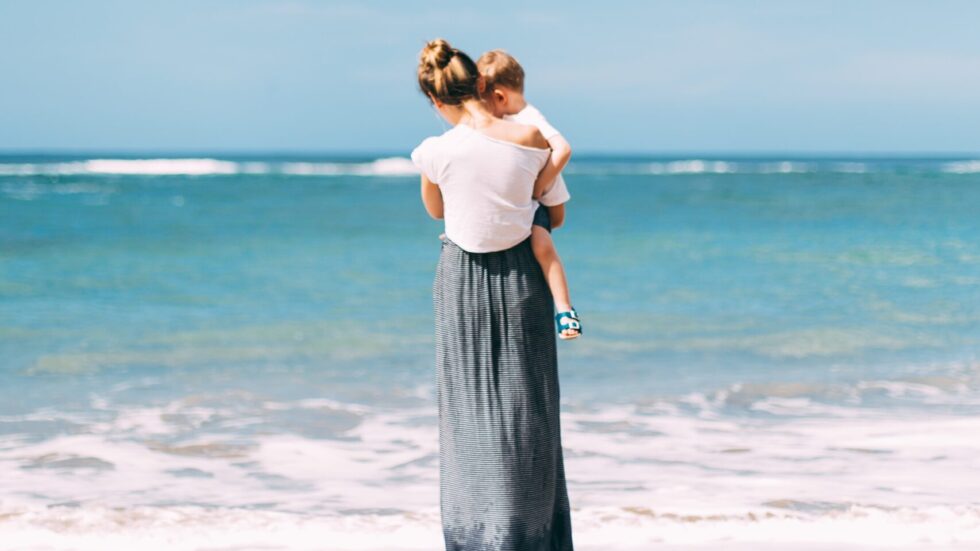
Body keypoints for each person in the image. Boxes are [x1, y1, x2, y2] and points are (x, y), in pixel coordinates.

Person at [411, 38, 575, 550]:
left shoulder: (434, 151)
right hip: (523, 279)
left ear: (437, 101)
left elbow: (437, 212)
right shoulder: (530, 136)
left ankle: (480, 536)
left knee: (470, 414)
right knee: (530, 409)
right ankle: (532, 536)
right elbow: (558, 215)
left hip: (461, 283)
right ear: (480, 85)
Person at [477, 49, 582, 340]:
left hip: (537, 196)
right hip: (524, 194)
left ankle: (565, 311)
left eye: (483, 103)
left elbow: (563, 149)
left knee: (542, 245)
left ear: (499, 96)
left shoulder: (529, 117)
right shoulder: (512, 118)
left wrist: (540, 184)